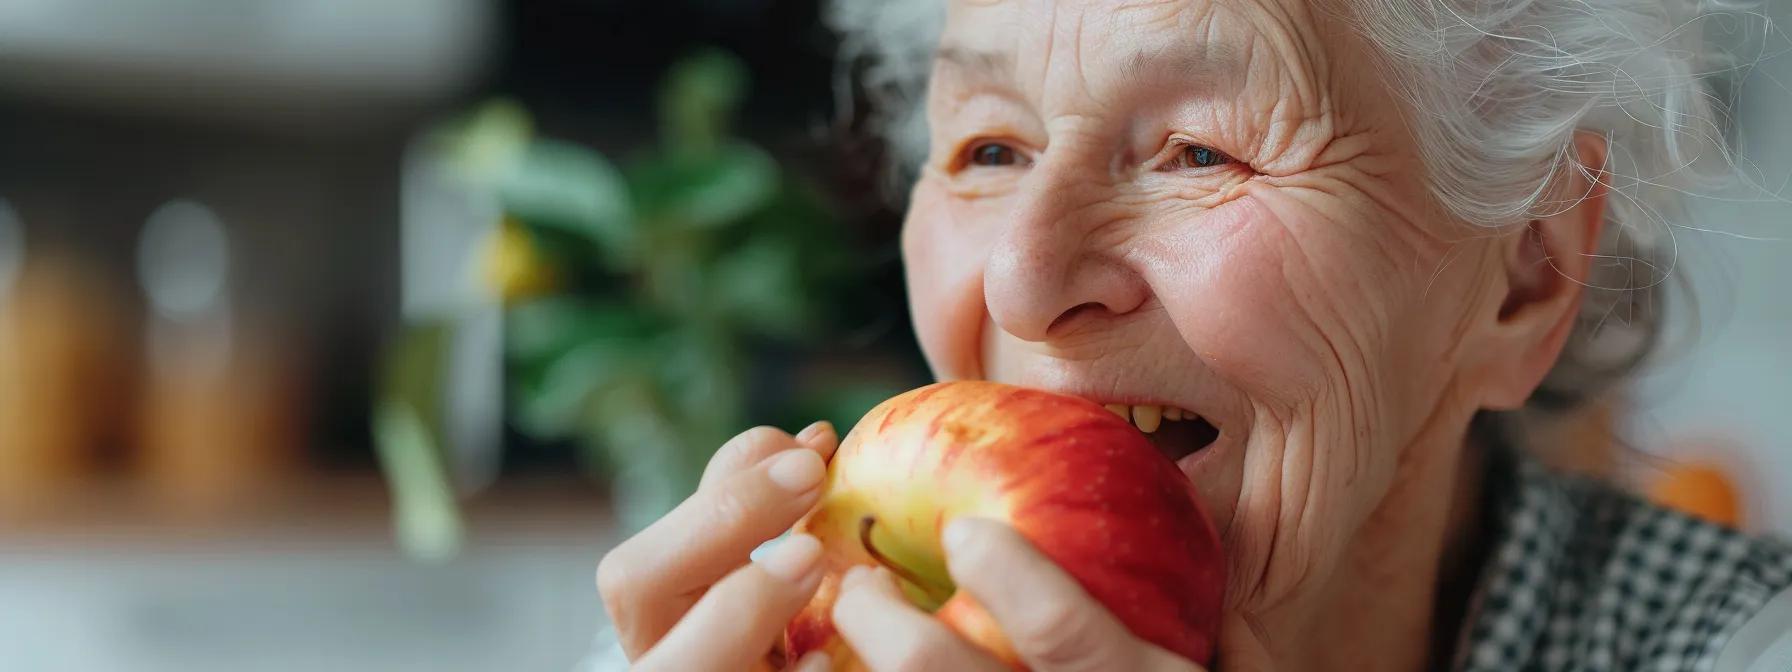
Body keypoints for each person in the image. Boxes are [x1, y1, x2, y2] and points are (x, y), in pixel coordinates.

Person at [592, 0, 1792, 669]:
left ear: (1524, 274)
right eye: (988, 149)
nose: (1021, 280)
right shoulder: (739, 643)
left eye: (1199, 152)